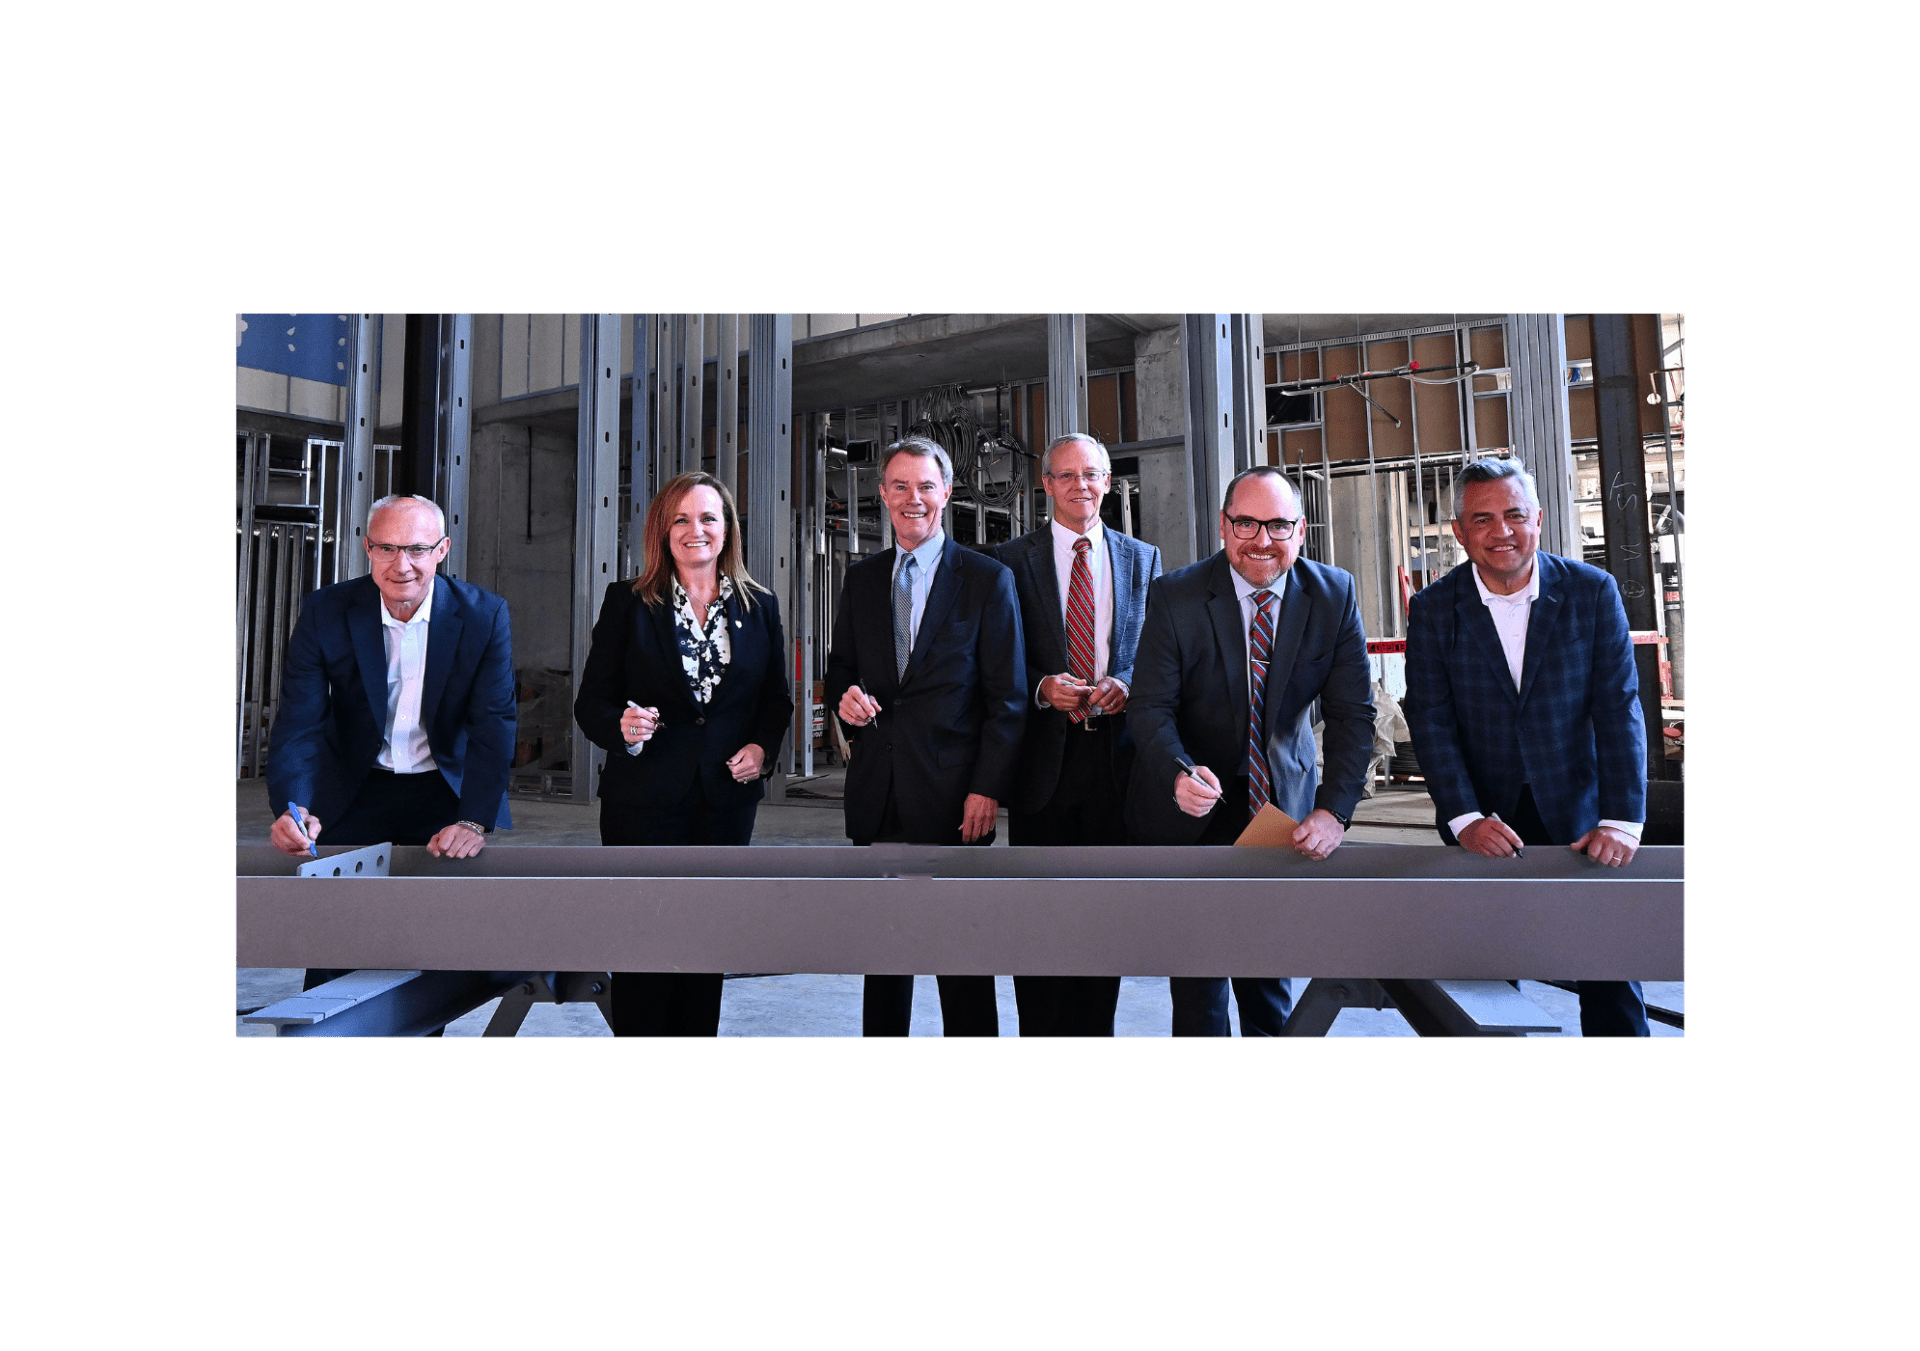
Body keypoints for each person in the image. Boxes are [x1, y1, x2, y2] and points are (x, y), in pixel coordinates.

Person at [1402, 457, 1649, 1037]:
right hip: (1484, 822)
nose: (1501, 532)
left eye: (1515, 515)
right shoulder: (1436, 609)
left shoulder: (1592, 593)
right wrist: (1462, 817)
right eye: (1482, 519)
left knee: (1610, 978)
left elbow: (1618, 709)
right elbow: (1431, 720)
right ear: (1460, 532)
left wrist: (1621, 820)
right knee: (1486, 987)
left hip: (1583, 819)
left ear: (1539, 519)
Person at [1127, 466, 1374, 1037]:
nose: (1262, 540)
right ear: (1223, 526)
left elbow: (1352, 715)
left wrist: (1334, 811)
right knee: (1198, 982)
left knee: (1268, 978)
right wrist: (1177, 772)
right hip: (1192, 804)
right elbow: (1149, 707)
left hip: (1278, 808)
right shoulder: (1176, 595)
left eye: (1278, 525)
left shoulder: (1332, 594)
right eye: (1246, 524)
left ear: (1301, 530)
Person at [267, 493, 516, 1006]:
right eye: (386, 548)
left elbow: (493, 724)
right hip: (356, 787)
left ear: (442, 550)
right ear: (367, 549)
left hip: (442, 791)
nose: (401, 565)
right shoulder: (327, 610)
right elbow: (300, 721)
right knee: (337, 941)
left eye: (417, 549)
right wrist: (295, 806)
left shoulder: (484, 615)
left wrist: (474, 819)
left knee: (432, 948)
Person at [573, 472, 795, 1037]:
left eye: (708, 518)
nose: (695, 530)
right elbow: (592, 703)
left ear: (727, 530)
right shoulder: (627, 602)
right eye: (681, 519)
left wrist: (760, 747)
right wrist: (622, 726)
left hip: (723, 802)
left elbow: (775, 699)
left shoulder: (760, 605)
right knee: (642, 944)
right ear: (662, 530)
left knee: (705, 944)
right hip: (641, 802)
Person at [825, 436, 1026, 1037]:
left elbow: (1009, 700)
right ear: (883, 495)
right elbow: (840, 668)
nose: (914, 498)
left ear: (946, 493)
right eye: (900, 486)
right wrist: (844, 697)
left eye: (926, 486)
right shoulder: (861, 579)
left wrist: (987, 790)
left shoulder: (987, 580)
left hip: (956, 802)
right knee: (884, 961)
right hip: (879, 795)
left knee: (962, 962)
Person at [989, 433, 1161, 1036]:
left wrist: (1128, 683)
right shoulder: (1011, 561)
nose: (1080, 486)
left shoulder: (1143, 558)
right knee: (1039, 918)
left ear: (1108, 482)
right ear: (1047, 485)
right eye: (1066, 476)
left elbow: (1155, 652)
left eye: (1091, 475)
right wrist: (1040, 687)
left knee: (1102, 920)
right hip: (1044, 765)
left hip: (1117, 764)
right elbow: (998, 660)